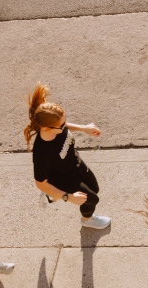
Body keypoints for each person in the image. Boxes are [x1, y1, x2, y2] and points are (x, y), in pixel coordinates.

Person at [24, 83, 111, 229]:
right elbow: (40, 182)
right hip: (62, 179)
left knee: (94, 189)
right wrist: (68, 197)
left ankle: (52, 196)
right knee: (91, 200)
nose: (65, 126)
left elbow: (64, 126)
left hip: (75, 164)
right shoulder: (42, 152)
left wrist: (84, 128)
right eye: (62, 125)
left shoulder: (57, 127)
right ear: (47, 128)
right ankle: (87, 220)